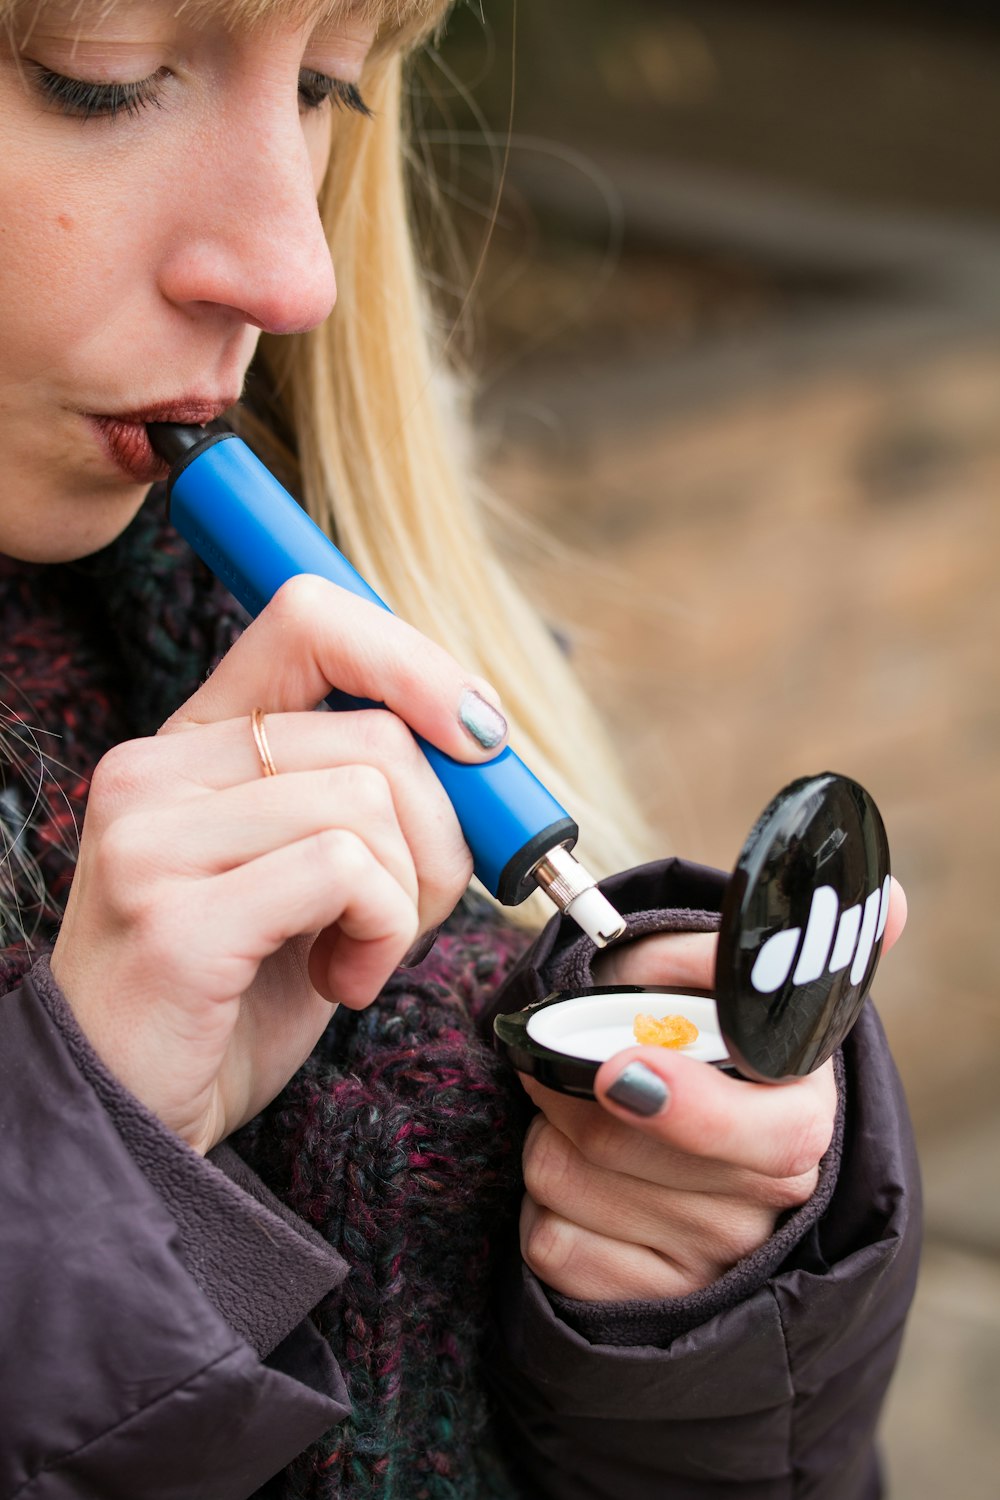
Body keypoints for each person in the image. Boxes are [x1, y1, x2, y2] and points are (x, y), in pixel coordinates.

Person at [0, 2, 919, 1497]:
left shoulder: (277, 597)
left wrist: (698, 1315)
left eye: (322, 89)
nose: (292, 272)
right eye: (95, 79)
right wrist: (86, 1175)